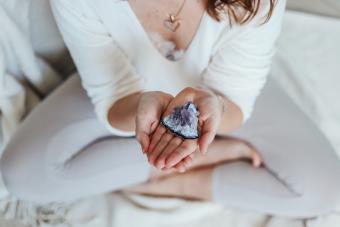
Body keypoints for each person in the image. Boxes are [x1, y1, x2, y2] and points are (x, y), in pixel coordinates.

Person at [1, 0, 340, 218]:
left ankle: (177, 182)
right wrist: (140, 108)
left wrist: (217, 109)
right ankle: (211, 155)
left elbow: (237, 95)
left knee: (325, 189)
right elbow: (111, 93)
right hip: (126, 91)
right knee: (23, 174)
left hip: (223, 94)